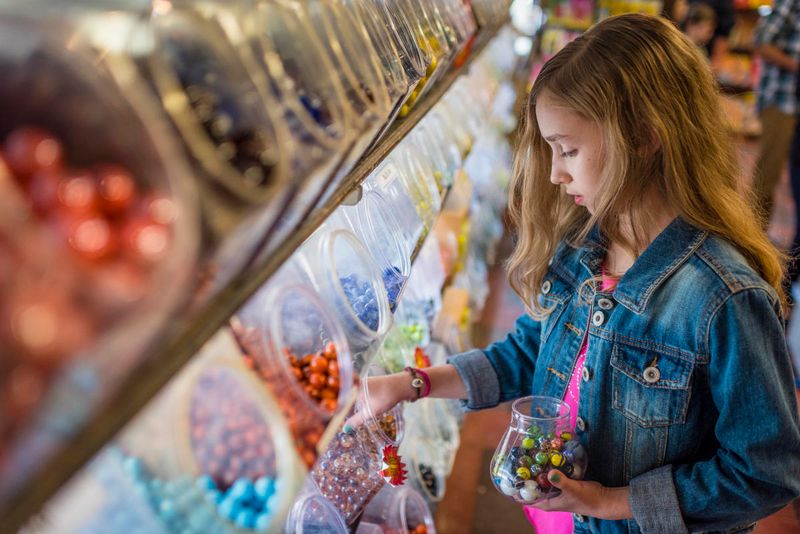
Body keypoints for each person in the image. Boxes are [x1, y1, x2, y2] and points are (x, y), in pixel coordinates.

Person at [350, 14, 800, 533]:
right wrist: (410, 384)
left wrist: (610, 502)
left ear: (645, 137)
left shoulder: (722, 297)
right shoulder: (584, 249)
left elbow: (766, 472)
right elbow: (530, 352)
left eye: (568, 149)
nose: (554, 172)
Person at [751, 0, 800, 229]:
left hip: (792, 102)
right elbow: (762, 42)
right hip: (782, 99)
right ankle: (750, 245)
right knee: (766, 179)